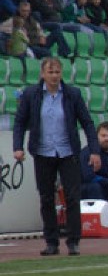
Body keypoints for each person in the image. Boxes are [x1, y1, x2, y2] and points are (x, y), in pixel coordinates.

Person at [12, 57, 98, 256]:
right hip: (43, 152)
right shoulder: (31, 94)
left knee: (72, 197)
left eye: (57, 72)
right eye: (50, 72)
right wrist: (18, 147)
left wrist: (94, 150)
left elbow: (87, 123)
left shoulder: (72, 94)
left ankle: (74, 241)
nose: (54, 76)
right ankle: (51, 242)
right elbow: (20, 122)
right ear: (42, 74)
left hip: (68, 152)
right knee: (46, 198)